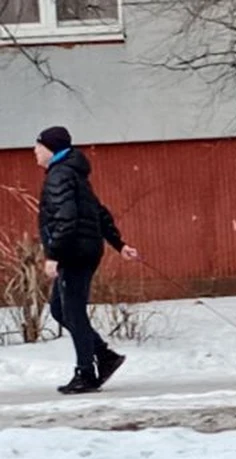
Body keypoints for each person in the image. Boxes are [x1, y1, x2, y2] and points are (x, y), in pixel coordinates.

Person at [35, 126, 140, 394]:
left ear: (51, 149)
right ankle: (104, 356)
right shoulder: (72, 173)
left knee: (72, 311)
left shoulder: (60, 176)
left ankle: (85, 374)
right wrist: (120, 245)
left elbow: (66, 220)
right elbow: (98, 211)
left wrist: (53, 255)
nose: (35, 151)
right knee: (60, 310)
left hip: (74, 252)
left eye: (39, 146)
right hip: (83, 249)